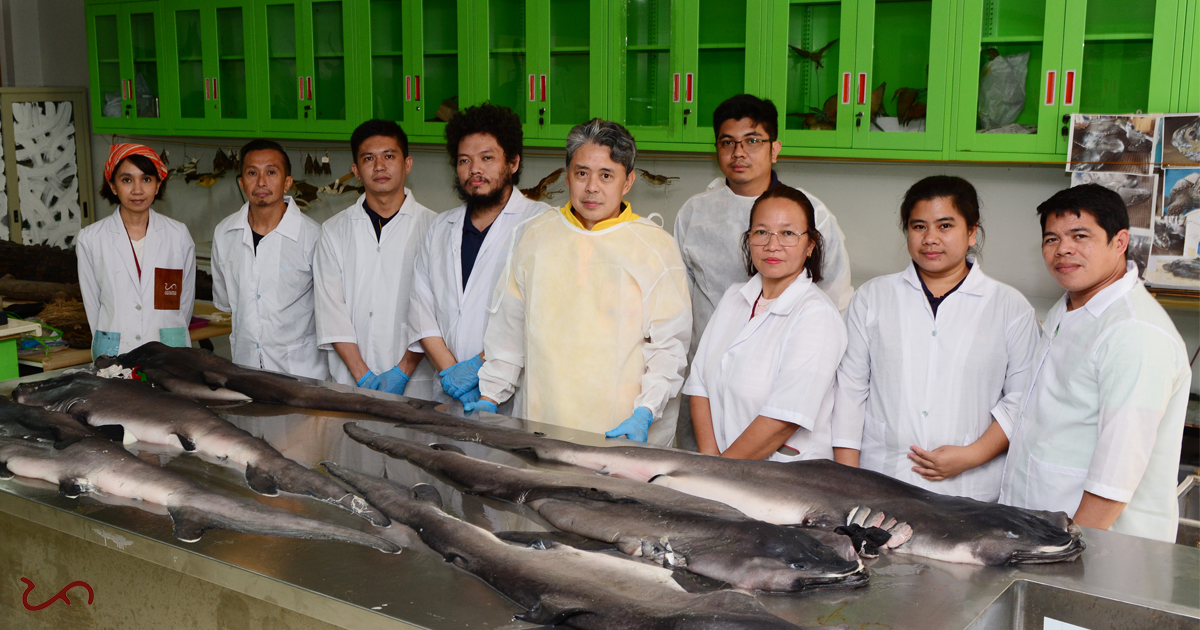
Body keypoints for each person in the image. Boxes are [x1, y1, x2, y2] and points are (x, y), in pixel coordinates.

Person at [468, 119, 691, 445]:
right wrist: (490, 395)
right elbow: (509, 331)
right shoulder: (536, 236)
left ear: (627, 181)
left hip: (622, 427)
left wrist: (646, 409)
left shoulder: (654, 247)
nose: (591, 187)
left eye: (606, 175)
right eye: (581, 173)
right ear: (567, 174)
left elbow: (669, 346)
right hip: (543, 422)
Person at [1000, 184, 1190, 541]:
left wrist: (1067, 550)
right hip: (1041, 530)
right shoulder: (1070, 305)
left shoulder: (1135, 333)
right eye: (1051, 239)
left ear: (1119, 242)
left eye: (1080, 235)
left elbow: (1115, 475)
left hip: (1098, 548)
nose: (1063, 249)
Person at [832, 176, 1039, 501]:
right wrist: (847, 482)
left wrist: (972, 455)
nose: (930, 238)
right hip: (881, 478)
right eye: (918, 227)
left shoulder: (1009, 307)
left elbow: (1022, 399)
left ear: (972, 232)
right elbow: (849, 390)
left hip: (972, 486)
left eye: (945, 226)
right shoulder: (873, 296)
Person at [673, 94, 852, 448]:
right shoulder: (695, 213)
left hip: (779, 383)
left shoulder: (810, 211)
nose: (739, 153)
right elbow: (679, 300)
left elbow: (835, 297)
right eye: (728, 143)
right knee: (704, 473)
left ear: (775, 149)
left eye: (753, 141)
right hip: (708, 384)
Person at [685, 185, 844, 461]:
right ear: (748, 239)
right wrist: (712, 462)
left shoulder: (817, 315)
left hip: (784, 482)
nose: (772, 245)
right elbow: (699, 385)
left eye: (788, 233)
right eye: (761, 232)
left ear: (810, 244)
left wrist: (721, 471)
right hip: (723, 469)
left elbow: (784, 418)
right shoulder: (734, 298)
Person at [409, 104, 550, 407]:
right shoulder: (440, 227)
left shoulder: (542, 224)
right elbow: (422, 309)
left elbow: (539, 316)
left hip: (514, 394)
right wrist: (452, 371)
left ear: (512, 162)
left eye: (487, 158)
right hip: (449, 388)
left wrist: (479, 368)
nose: (475, 170)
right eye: (464, 161)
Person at [314, 120, 436, 395]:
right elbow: (330, 311)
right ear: (356, 170)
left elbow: (435, 312)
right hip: (351, 380)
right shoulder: (333, 231)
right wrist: (363, 376)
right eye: (369, 158)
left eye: (389, 156)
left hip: (416, 383)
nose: (379, 166)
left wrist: (402, 371)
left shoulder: (435, 228)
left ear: (407, 164)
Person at [210, 139, 326, 379]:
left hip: (301, 372)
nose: (261, 182)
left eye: (271, 172)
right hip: (245, 368)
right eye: (252, 173)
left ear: (287, 182)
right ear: (242, 183)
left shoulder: (314, 236)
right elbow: (226, 302)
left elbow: (329, 309)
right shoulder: (224, 233)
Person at [78, 144, 195, 359]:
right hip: (115, 349)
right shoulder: (92, 238)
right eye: (127, 180)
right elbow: (92, 305)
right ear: (113, 186)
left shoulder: (177, 235)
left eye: (147, 179)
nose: (137, 190)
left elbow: (185, 301)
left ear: (158, 185)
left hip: (169, 347)